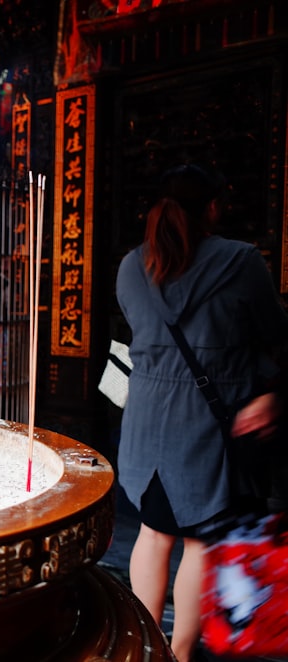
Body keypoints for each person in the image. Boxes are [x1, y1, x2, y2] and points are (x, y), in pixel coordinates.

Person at [115, 164, 288, 662]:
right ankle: (181, 651)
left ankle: (143, 647)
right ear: (213, 208)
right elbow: (273, 329)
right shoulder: (241, 262)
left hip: (147, 421)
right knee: (199, 540)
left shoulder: (131, 266)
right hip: (207, 422)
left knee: (152, 533)